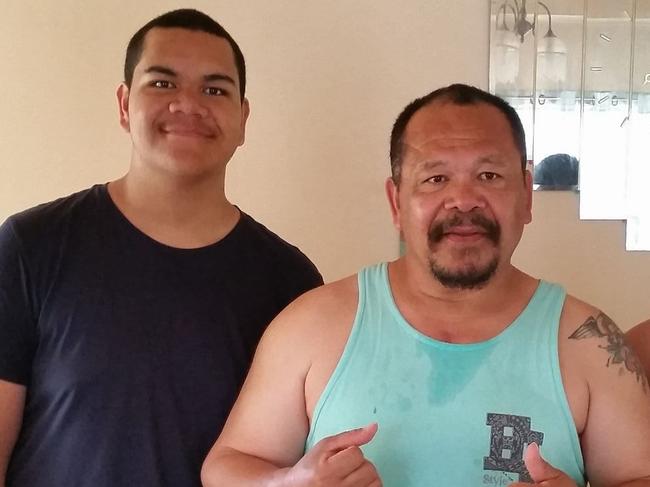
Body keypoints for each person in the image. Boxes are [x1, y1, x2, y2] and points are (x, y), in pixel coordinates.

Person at [201, 84, 650, 487]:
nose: (464, 200)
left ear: (527, 196)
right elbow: (226, 467)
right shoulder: (311, 324)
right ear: (396, 202)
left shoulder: (591, 342)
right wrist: (291, 484)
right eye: (435, 178)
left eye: (489, 176)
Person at [0, 9, 322, 487]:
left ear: (242, 118)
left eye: (215, 90)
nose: (188, 105)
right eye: (163, 84)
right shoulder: (31, 246)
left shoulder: (291, 283)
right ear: (125, 104)